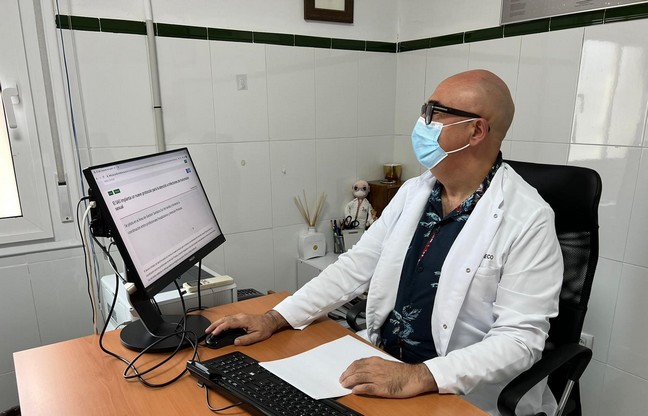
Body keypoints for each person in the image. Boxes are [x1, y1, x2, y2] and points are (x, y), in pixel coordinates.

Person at [206, 69, 563, 415]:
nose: (422, 122)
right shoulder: (415, 192)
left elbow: (520, 340)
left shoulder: (528, 218)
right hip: (382, 366)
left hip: (454, 390)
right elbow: (355, 265)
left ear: (476, 130)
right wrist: (275, 317)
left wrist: (420, 376)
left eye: (434, 112)